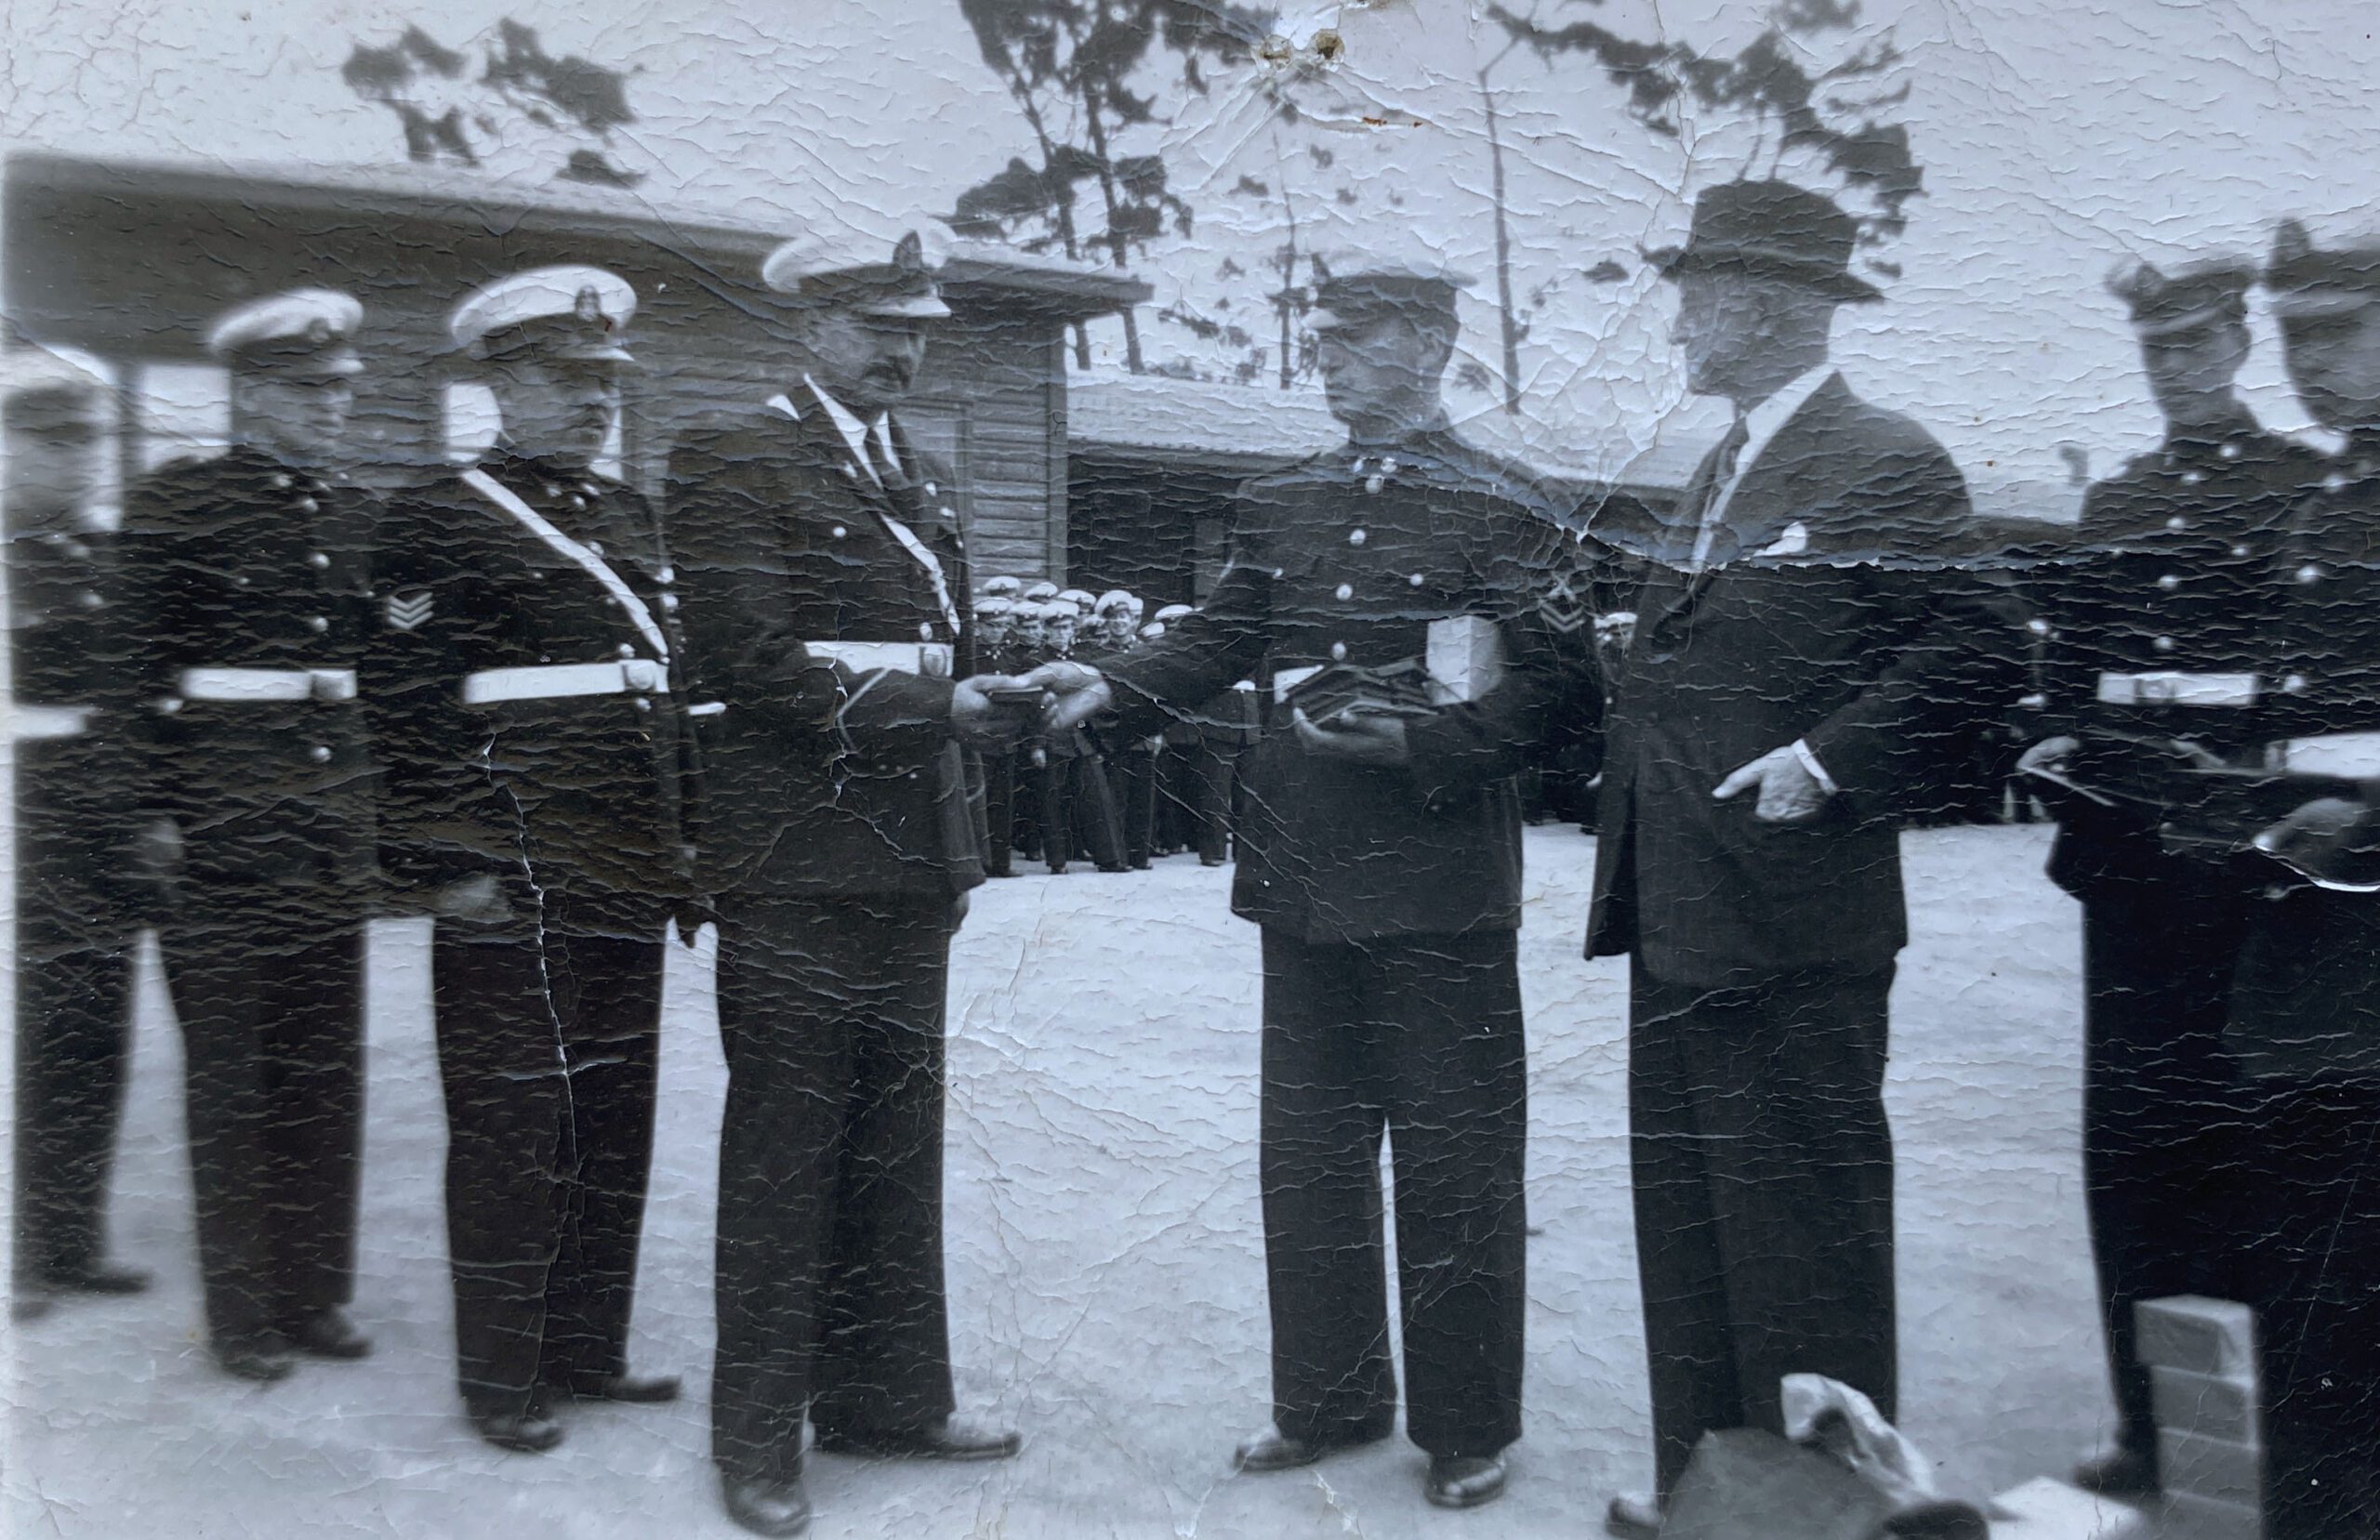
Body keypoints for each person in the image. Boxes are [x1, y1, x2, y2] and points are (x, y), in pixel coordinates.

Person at [1032, 254, 1599, 1510]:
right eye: (1321, 337)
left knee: (1453, 1157)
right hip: (1300, 864)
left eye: (1354, 338)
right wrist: (1109, 684)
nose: (1326, 358)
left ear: (1429, 348)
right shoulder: (1280, 499)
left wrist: (1431, 744)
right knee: (1310, 1154)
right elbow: (1218, 639)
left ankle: (1466, 1422)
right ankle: (1329, 1399)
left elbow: (1563, 688)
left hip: (1439, 873)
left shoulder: (1509, 504)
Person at [1583, 182, 2026, 1538]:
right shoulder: (1720, 466)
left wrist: (1829, 758)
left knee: (1803, 1254)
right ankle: (1711, 1499)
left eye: (1694, 299)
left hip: (1792, 925)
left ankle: (1827, 1517)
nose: (1675, 326)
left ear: (1764, 304)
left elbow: (1984, 640)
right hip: (1680, 913)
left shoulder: (1884, 457)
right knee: (1692, 1243)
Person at [666, 216, 1025, 1539]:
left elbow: (947, 649)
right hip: (791, 860)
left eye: (917, 333)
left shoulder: (919, 472)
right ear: (810, 324)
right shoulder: (728, 455)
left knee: (895, 1142)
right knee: (786, 1149)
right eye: (878, 328)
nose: (901, 353)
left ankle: (888, 1400)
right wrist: (942, 707)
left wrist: (969, 788)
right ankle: (757, 1438)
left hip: (908, 857)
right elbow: (748, 658)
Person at [366, 266, 693, 1453]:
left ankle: (588, 1349)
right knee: (512, 1124)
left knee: (613, 1111)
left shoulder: (627, 516)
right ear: (502, 385)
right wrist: (445, 863)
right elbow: (404, 710)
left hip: (622, 865)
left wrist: (684, 849)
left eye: (607, 381)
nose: (596, 400)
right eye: (568, 379)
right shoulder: (434, 517)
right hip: (510, 869)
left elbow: (658, 695)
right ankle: (501, 1376)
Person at [2019, 257, 2326, 1497]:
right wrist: (2050, 740)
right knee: (2134, 1149)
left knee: (2250, 1151)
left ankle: (2257, 1439)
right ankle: (2151, 1426)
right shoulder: (2118, 499)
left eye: (2194, 343)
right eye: (2156, 349)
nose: (2174, 367)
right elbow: (2072, 673)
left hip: (2252, 875)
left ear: (2240, 343)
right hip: (2131, 868)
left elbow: (2312, 687)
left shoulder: (2304, 487)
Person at [117, 289, 379, 1382]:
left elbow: (375, 673)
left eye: (342, 393)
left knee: (325, 1071)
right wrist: (147, 810)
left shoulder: (357, 512)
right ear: (253, 394)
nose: (334, 410)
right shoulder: (179, 504)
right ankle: (242, 1314)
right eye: (311, 392)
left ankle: (315, 1292)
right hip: (218, 827)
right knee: (234, 1082)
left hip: (326, 828)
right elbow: (130, 672)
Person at [2214, 218, 2380, 1538]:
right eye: (2292, 337)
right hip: (2311, 980)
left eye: (2335, 332)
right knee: (2315, 1306)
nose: (2305, 362)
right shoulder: (2320, 511)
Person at [7, 344, 150, 1323]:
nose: (78, 460)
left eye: (87, 443)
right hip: (23, 819)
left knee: (88, 1033)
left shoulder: (100, 553)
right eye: (54, 444)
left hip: (95, 826)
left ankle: (66, 1240)